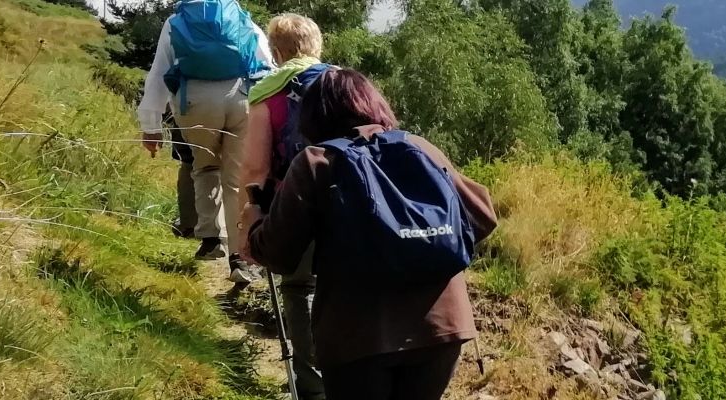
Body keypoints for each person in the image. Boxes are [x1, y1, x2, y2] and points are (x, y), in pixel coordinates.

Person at [244, 69, 496, 399]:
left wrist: (251, 223)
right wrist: (418, 244)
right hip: (441, 327)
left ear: (313, 117)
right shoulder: (418, 147)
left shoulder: (317, 162)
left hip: (356, 336)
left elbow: (277, 254)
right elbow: (483, 216)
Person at [136, 0, 275, 282]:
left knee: (205, 166)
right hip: (240, 97)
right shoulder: (240, 17)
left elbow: (159, 73)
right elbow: (266, 64)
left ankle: (212, 239)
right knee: (237, 178)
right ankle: (241, 257)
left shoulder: (176, 21)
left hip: (194, 100)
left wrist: (150, 125)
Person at [239, 13, 328, 398]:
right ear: (317, 46)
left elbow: (255, 166)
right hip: (350, 197)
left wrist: (252, 209)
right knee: (344, 285)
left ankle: (312, 388)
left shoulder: (267, 92)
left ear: (276, 52)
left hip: (292, 202)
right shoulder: (344, 83)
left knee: (299, 287)